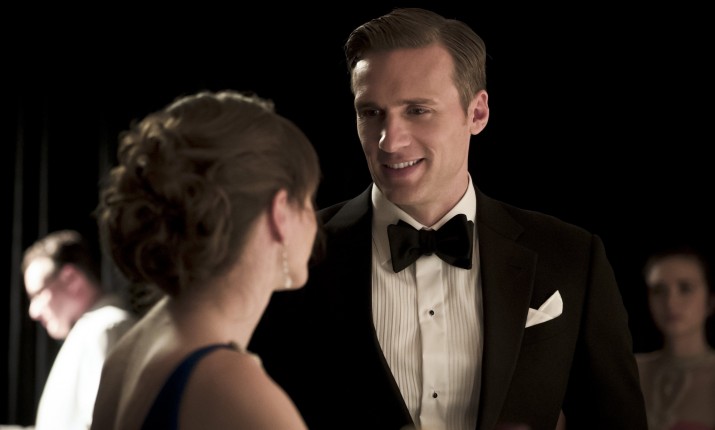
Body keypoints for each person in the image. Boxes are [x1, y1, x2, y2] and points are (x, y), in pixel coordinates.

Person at [248, 7, 648, 430]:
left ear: (477, 114)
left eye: (417, 110)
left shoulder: (571, 256)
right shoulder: (289, 253)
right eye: (371, 113)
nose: (389, 141)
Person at [89, 89, 321, 430]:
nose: (316, 220)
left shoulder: (130, 349)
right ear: (281, 212)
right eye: (309, 200)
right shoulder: (230, 385)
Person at [20, 229, 136, 430]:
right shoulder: (92, 330)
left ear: (71, 279)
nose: (33, 312)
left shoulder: (105, 328)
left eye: (37, 294)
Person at [635, 245, 715, 430]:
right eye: (659, 290)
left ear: (710, 301)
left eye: (685, 288)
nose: (670, 302)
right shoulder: (629, 370)